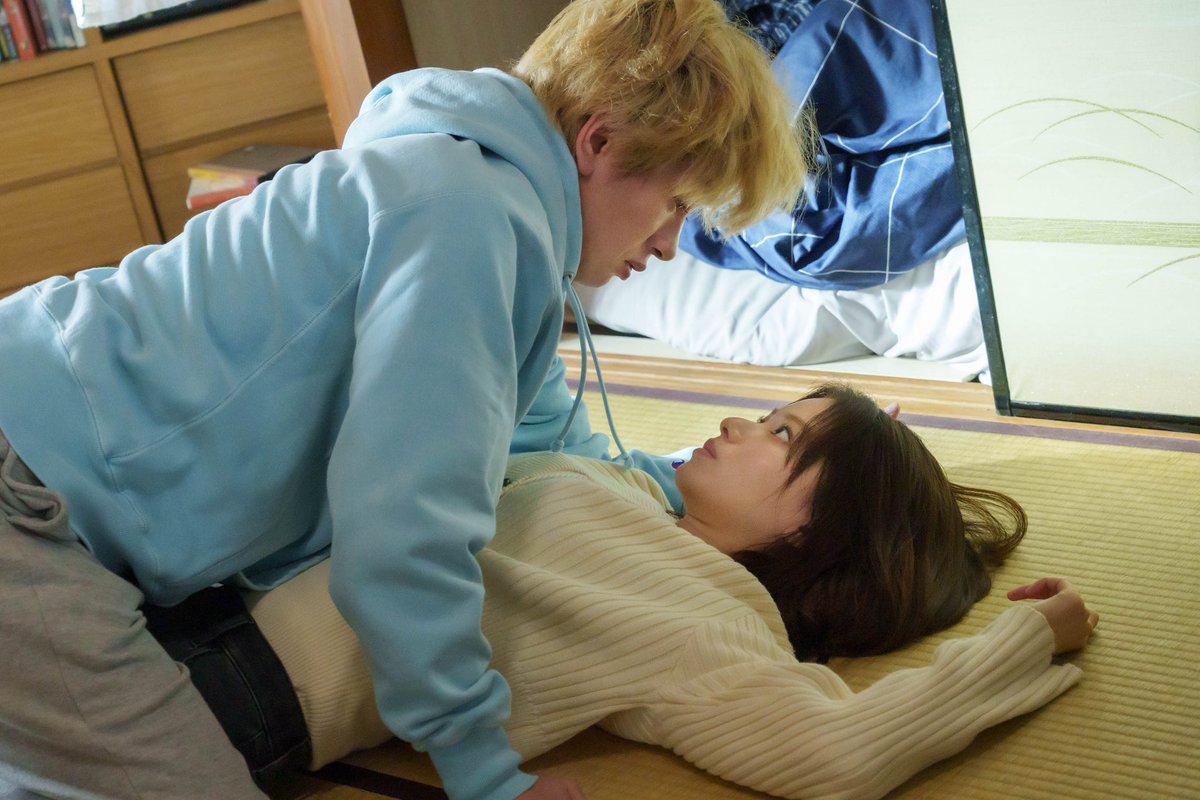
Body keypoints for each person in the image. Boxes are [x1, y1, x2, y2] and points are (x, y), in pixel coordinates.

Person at [0, 2, 807, 799]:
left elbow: (551, 443)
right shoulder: (469, 219)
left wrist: (708, 481)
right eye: (676, 204)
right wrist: (483, 769)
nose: (670, 244)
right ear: (600, 142)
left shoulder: (466, 191)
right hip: (25, 490)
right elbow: (403, 533)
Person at [240, 383, 1098, 799]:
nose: (734, 424)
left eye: (780, 434)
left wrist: (1029, 638)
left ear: (819, 528)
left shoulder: (707, 623)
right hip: (213, 592)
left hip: (246, 694)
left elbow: (841, 751)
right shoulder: (639, 495)